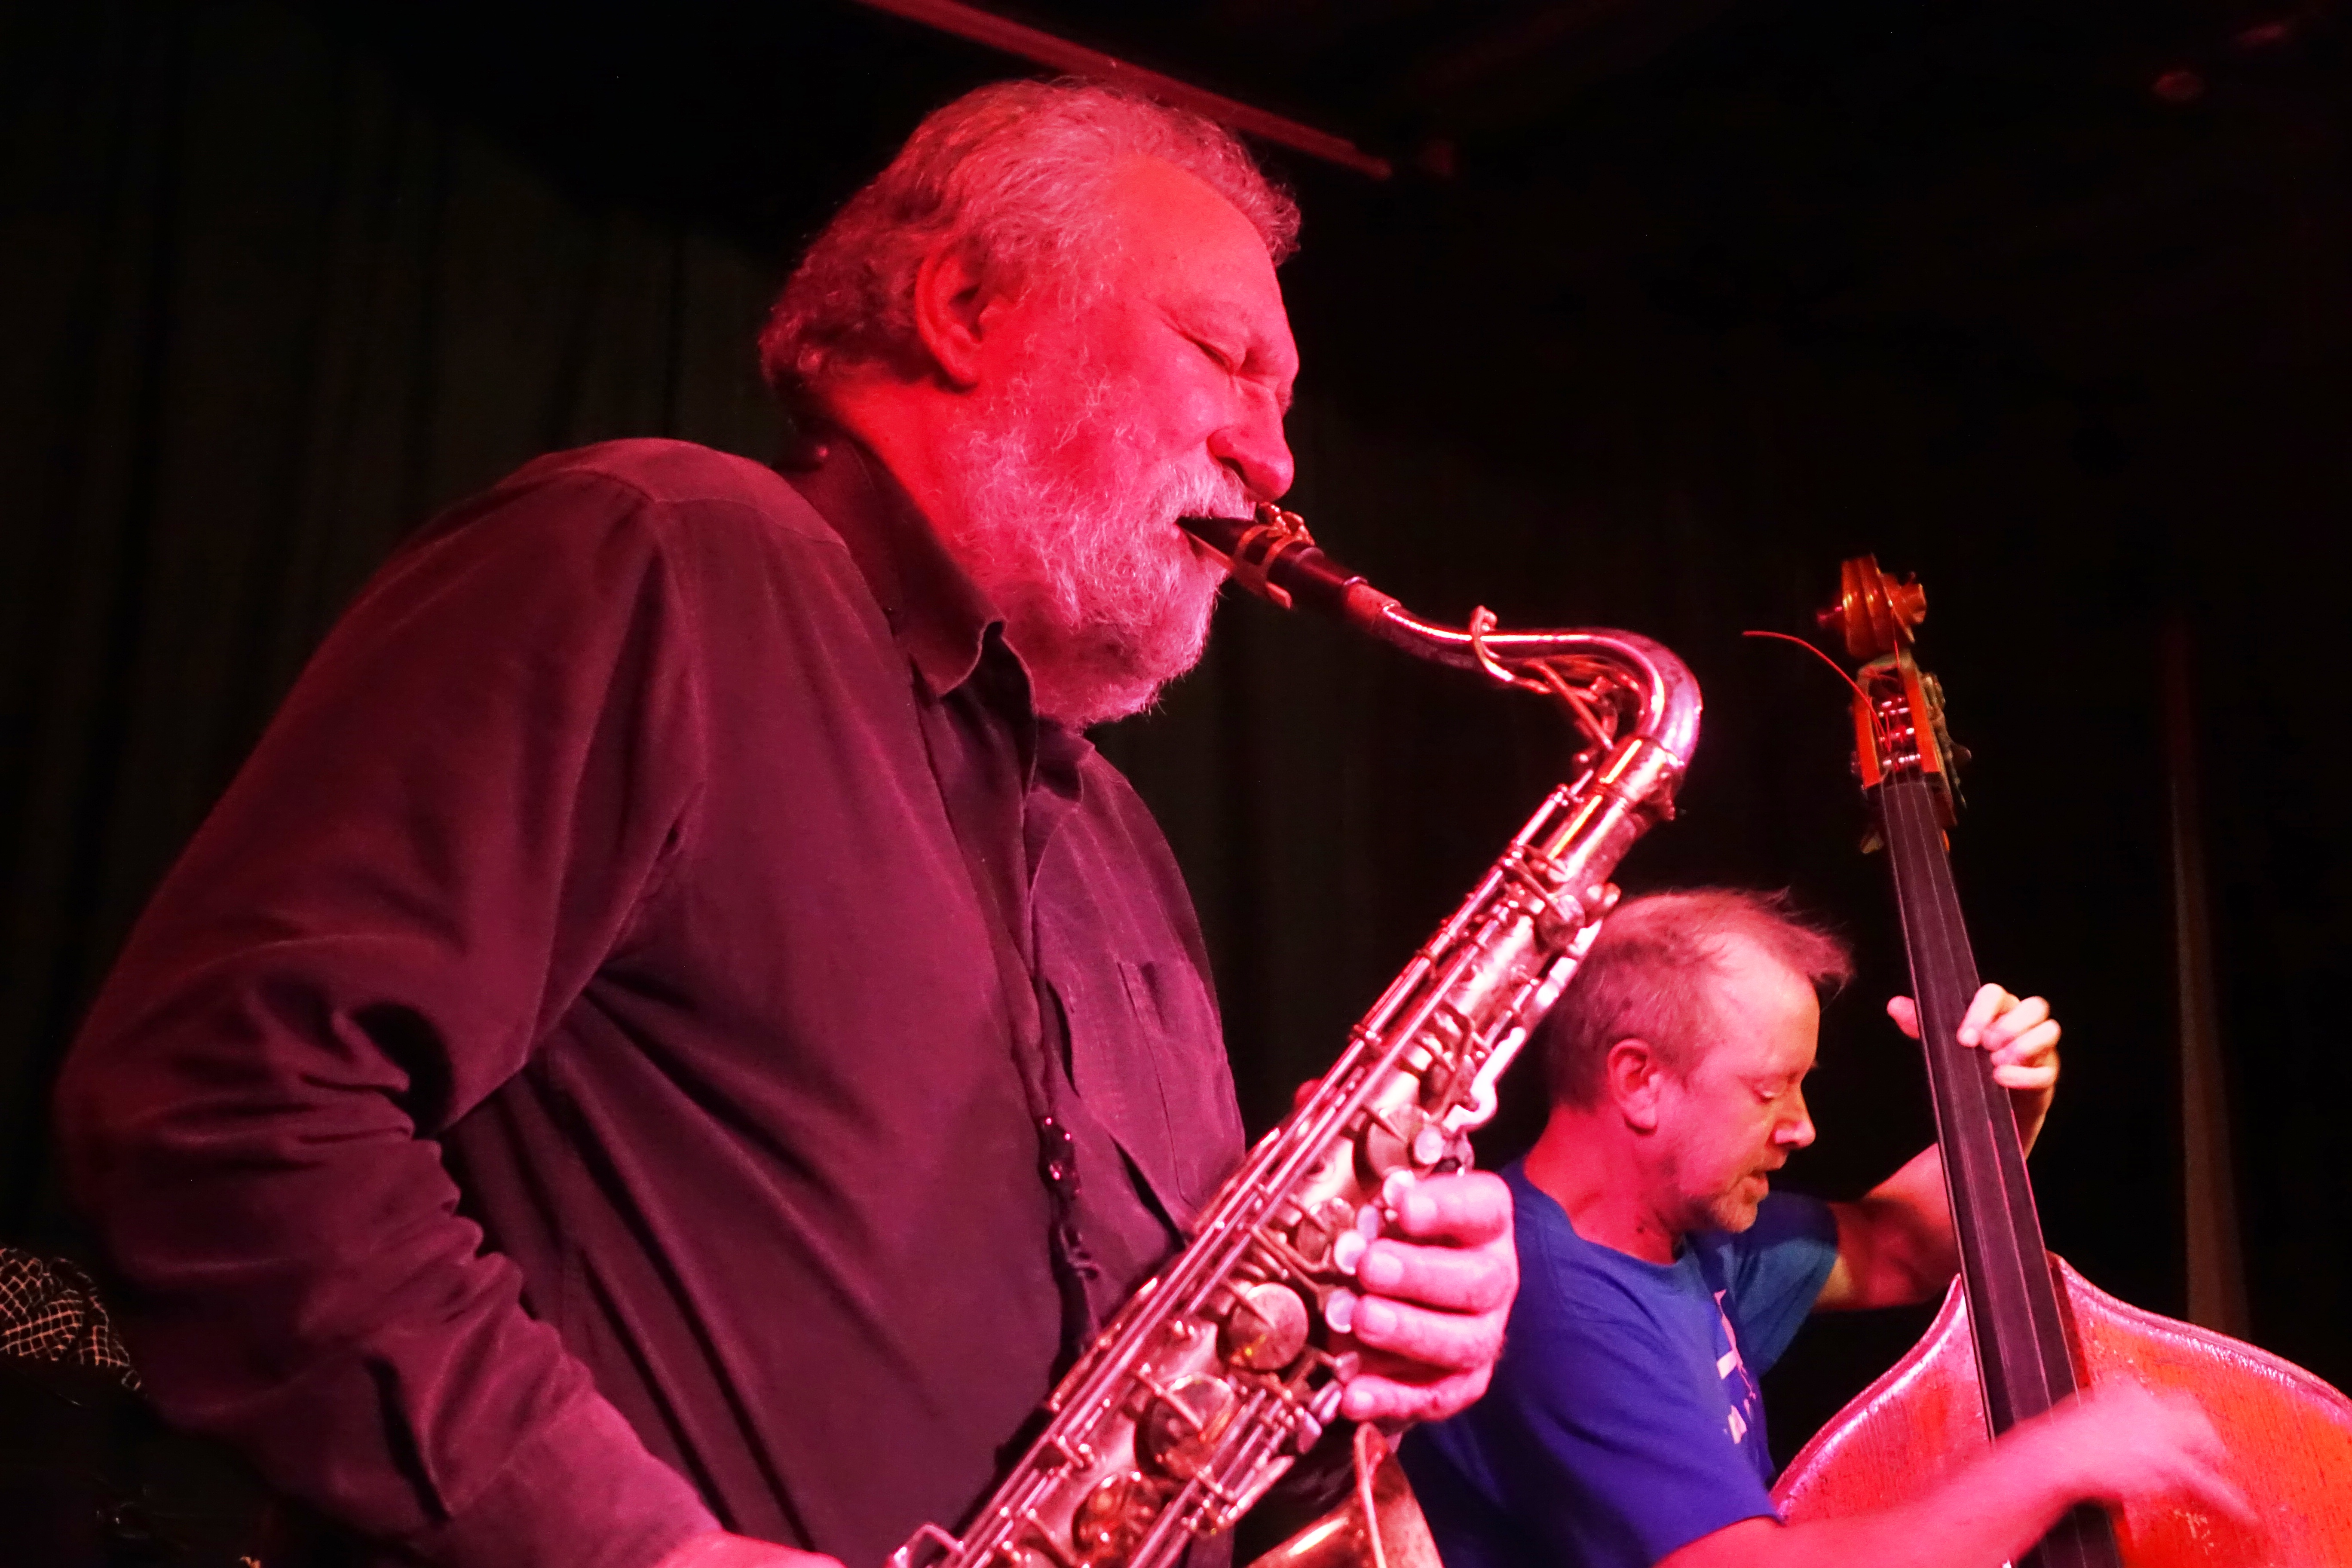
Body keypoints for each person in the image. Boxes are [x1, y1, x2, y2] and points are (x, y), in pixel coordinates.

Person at [51, 81, 1515, 1568]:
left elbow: (1175, 1390)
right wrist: (639, 1549)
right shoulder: (662, 555)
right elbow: (221, 1102)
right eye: (1225, 358)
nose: (1275, 459)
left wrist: (1357, 1321)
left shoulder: (1115, 839)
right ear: (965, 307)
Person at [1400, 888, 2249, 1568]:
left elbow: (1901, 1250)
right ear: (1639, 1081)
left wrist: (2007, 1116)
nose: (1803, 1126)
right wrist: (2056, 1460)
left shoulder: (1688, 1237)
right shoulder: (1551, 1304)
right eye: (1773, 1089)